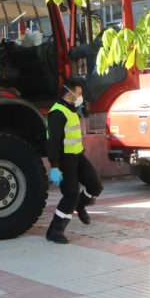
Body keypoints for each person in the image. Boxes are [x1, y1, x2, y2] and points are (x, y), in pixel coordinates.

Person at [45, 77, 103, 244]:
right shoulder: (57, 113)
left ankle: (80, 204)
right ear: (69, 94)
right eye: (79, 93)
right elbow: (53, 142)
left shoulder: (70, 109)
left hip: (78, 156)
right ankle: (54, 231)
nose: (81, 96)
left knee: (95, 185)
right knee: (70, 194)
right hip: (65, 161)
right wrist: (54, 166)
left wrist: (82, 110)